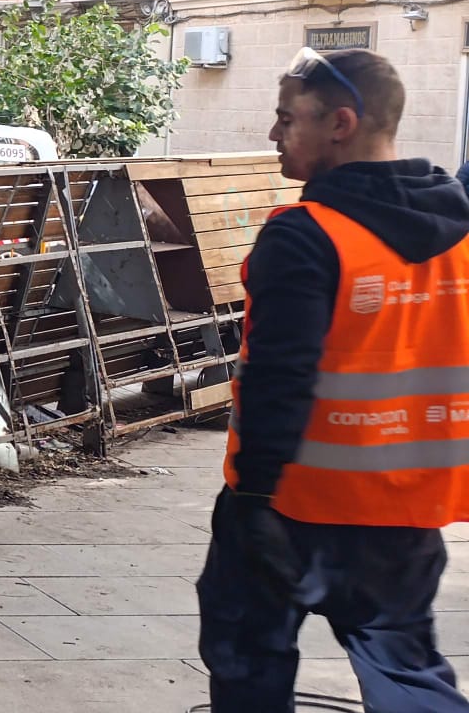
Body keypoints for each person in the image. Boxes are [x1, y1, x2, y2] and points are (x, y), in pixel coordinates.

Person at [200, 48, 469, 712]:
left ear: (341, 123)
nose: (274, 135)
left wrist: (255, 499)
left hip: (292, 506)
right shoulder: (457, 229)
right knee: (406, 675)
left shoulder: (307, 234)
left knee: (249, 670)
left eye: (287, 118)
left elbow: (278, 378)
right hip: (405, 515)